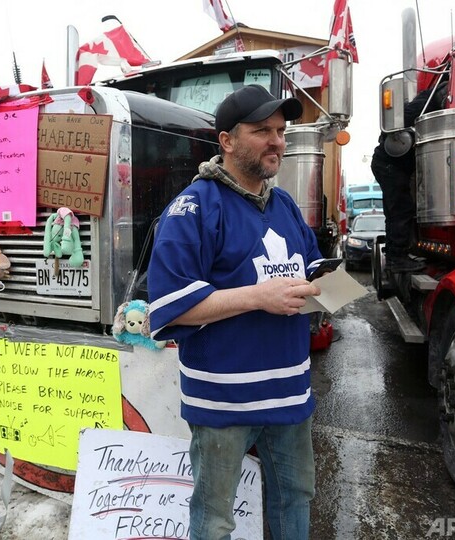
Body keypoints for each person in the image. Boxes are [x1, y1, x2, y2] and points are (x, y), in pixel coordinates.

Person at [147, 84, 323, 540]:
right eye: (262, 130)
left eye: (281, 131)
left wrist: (324, 290)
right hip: (225, 402)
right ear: (226, 141)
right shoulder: (193, 207)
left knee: (295, 500)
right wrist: (259, 296)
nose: (277, 141)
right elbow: (167, 308)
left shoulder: (284, 205)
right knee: (215, 516)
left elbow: (310, 270)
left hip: (290, 396)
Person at [370, 80, 448, 272]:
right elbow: (391, 124)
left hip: (388, 164)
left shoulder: (424, 102)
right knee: (401, 209)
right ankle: (397, 258)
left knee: (394, 211)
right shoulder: (422, 106)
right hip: (390, 164)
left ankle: (395, 255)